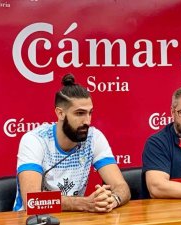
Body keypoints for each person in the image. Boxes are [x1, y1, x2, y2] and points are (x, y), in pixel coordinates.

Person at [13, 74, 130, 212]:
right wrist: (84, 203)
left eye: (90, 113)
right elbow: (32, 201)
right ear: (60, 113)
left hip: (75, 219)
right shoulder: (35, 140)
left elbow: (122, 187)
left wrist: (112, 200)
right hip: (32, 220)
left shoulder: (94, 138)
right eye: (80, 113)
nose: (87, 121)